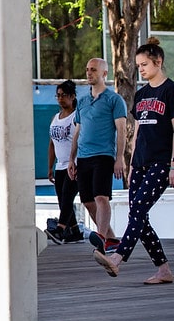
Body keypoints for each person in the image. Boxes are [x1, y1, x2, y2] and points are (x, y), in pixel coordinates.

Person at [93, 38, 174, 284]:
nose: (141, 69)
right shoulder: (141, 94)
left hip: (161, 162)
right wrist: (130, 165)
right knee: (139, 215)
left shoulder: (170, 90)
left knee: (138, 209)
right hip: (140, 163)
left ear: (158, 62)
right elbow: (137, 130)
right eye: (138, 65)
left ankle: (118, 258)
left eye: (144, 64)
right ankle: (163, 270)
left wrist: (173, 164)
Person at [67, 58, 126, 255]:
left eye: (93, 70)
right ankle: (110, 239)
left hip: (104, 155)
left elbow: (122, 130)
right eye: (87, 69)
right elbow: (77, 132)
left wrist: (119, 157)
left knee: (101, 197)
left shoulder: (114, 100)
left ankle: (100, 237)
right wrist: (71, 159)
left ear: (104, 74)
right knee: (88, 201)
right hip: (83, 157)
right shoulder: (82, 102)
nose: (89, 73)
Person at [45, 80, 85, 244]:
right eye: (58, 95)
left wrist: (74, 161)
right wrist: (49, 167)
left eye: (65, 95)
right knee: (62, 199)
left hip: (74, 163)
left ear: (73, 96)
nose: (61, 99)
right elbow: (52, 144)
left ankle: (61, 229)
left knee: (68, 196)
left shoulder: (76, 116)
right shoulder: (56, 117)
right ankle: (75, 231)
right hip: (60, 165)